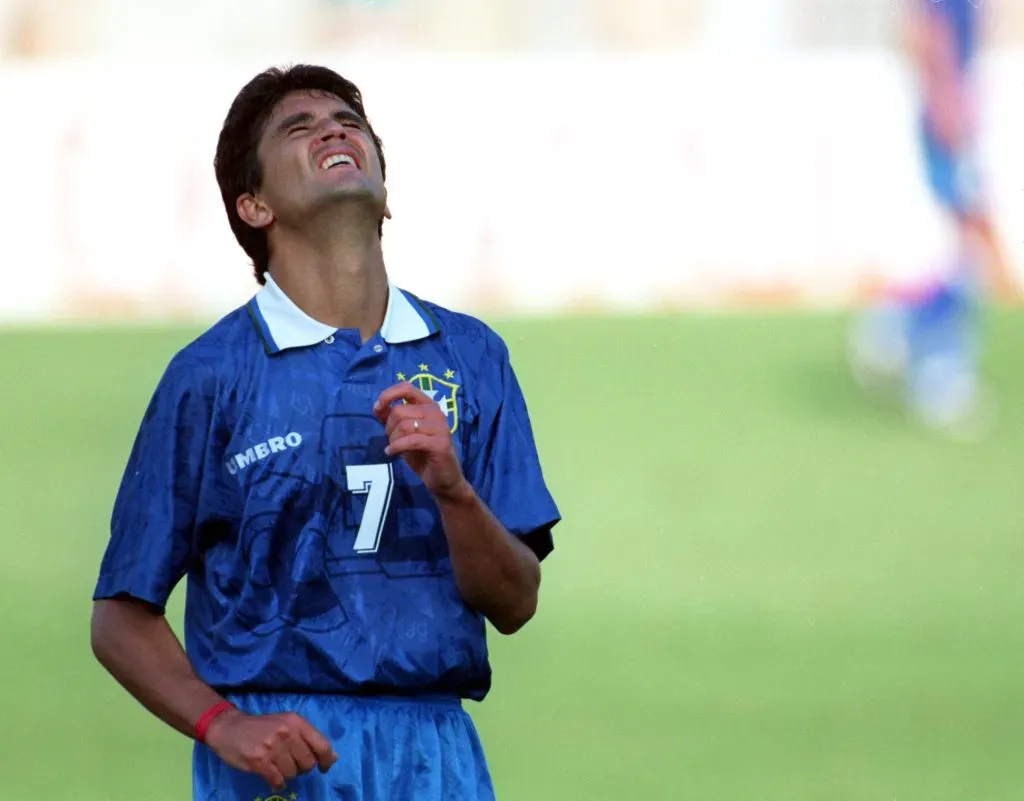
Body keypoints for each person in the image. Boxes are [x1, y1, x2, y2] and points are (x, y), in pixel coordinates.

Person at [90, 64, 561, 800]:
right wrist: (223, 723)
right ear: (253, 206)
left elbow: (516, 601)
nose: (334, 130)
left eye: (348, 121)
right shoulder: (210, 375)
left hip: (437, 757)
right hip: (278, 763)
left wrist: (454, 491)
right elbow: (119, 616)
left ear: (385, 193)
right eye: (298, 128)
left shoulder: (473, 356)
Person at [847, 0, 1016, 436]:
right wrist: (946, 99)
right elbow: (926, 32)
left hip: (955, 112)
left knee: (964, 245)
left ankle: (895, 329)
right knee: (967, 245)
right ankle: (932, 362)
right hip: (948, 118)